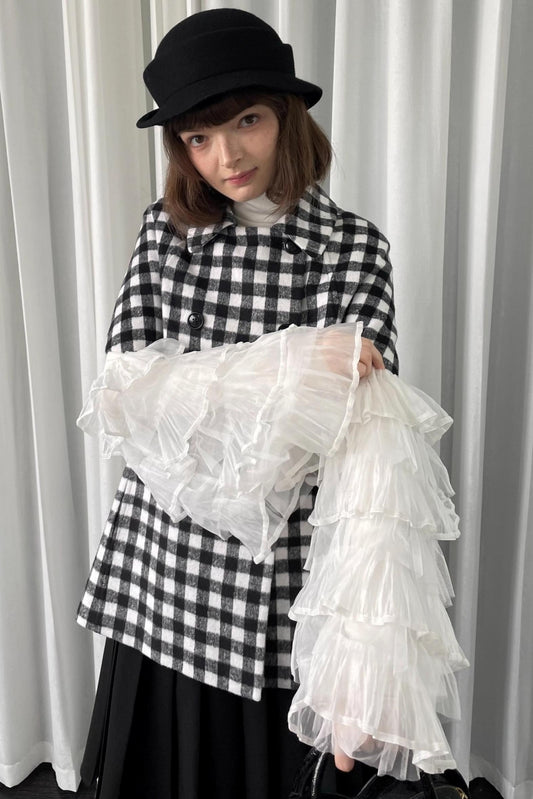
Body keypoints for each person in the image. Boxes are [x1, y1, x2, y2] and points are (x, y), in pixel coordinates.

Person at [78, 8, 402, 798]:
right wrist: (297, 364)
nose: (226, 156)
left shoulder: (352, 246)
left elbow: (346, 431)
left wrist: (198, 388)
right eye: (198, 136)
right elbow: (122, 396)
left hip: (281, 570)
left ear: (286, 116)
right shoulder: (166, 232)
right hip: (165, 563)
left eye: (246, 121)